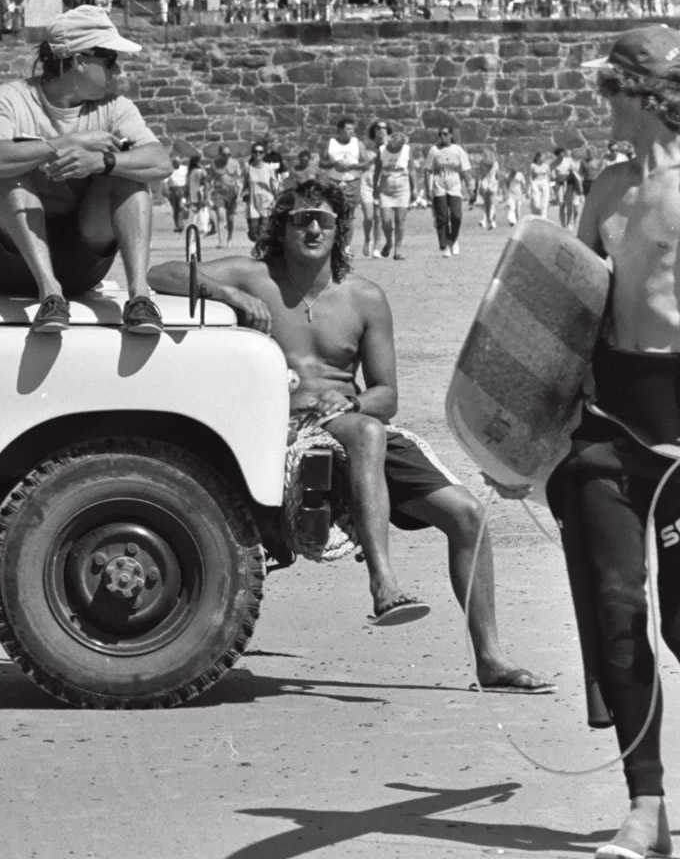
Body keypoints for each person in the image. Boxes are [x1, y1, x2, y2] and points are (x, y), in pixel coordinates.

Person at [147, 179, 550, 685]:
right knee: (365, 434)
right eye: (300, 219)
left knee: (467, 515)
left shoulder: (364, 298)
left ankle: (492, 662)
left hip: (349, 420)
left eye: (323, 220)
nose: (312, 228)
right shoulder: (252, 277)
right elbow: (157, 272)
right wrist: (224, 293)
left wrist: (354, 400)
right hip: (282, 427)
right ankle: (383, 581)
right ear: (282, 226)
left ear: (340, 230)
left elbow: (387, 395)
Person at [547, 24, 680, 859]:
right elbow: (567, 309)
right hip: (608, 422)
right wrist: (527, 431)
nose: (602, 105)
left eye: (608, 90)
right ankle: (646, 804)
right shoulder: (605, 190)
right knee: (617, 610)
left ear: (644, 93)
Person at [0, 6, 168, 332]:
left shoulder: (115, 108)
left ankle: (140, 298)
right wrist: (66, 143)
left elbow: (160, 162)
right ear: (78, 60)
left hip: (79, 266)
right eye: (111, 61)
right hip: (3, 262)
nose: (117, 72)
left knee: (130, 180)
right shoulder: (7, 100)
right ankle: (50, 293)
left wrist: (103, 162)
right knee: (10, 177)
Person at [323, 117, 369, 255]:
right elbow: (322, 162)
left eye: (352, 129)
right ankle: (332, 244)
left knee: (349, 215)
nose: (351, 132)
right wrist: (334, 164)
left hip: (351, 182)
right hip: (333, 182)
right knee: (332, 214)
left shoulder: (358, 144)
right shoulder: (330, 144)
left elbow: (365, 163)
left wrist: (352, 165)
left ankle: (346, 247)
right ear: (340, 130)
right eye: (348, 129)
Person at [426, 123, 470, 256]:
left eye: (445, 134)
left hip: (454, 185)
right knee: (442, 217)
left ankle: (453, 239)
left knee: (456, 216)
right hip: (439, 185)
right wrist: (428, 188)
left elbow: (465, 170)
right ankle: (445, 245)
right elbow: (428, 169)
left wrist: (470, 187)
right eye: (440, 134)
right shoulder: (434, 150)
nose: (442, 137)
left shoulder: (458, 150)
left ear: (451, 135)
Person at [372, 120, 411, 259]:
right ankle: (389, 242)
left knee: (400, 220)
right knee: (386, 221)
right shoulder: (382, 150)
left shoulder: (406, 150)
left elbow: (412, 170)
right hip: (386, 188)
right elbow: (377, 170)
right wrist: (375, 188)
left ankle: (398, 250)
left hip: (403, 187)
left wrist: (415, 191)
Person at [207, 143, 244, 251]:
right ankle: (221, 240)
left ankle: (230, 238)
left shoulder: (235, 163)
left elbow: (239, 179)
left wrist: (239, 194)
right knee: (220, 215)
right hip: (219, 192)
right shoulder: (215, 164)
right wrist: (208, 196)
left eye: (229, 154)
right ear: (220, 154)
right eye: (224, 154)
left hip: (232, 192)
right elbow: (209, 180)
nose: (227, 156)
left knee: (230, 218)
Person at [244, 141, 281, 245]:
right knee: (253, 232)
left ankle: (261, 253)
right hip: (253, 203)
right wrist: (242, 194)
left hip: (266, 202)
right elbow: (243, 184)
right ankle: (260, 246)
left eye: (260, 152)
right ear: (252, 153)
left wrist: (278, 200)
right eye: (255, 152)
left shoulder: (268, 168)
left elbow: (275, 186)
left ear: (264, 154)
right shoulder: (248, 168)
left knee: (264, 231)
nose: (258, 154)